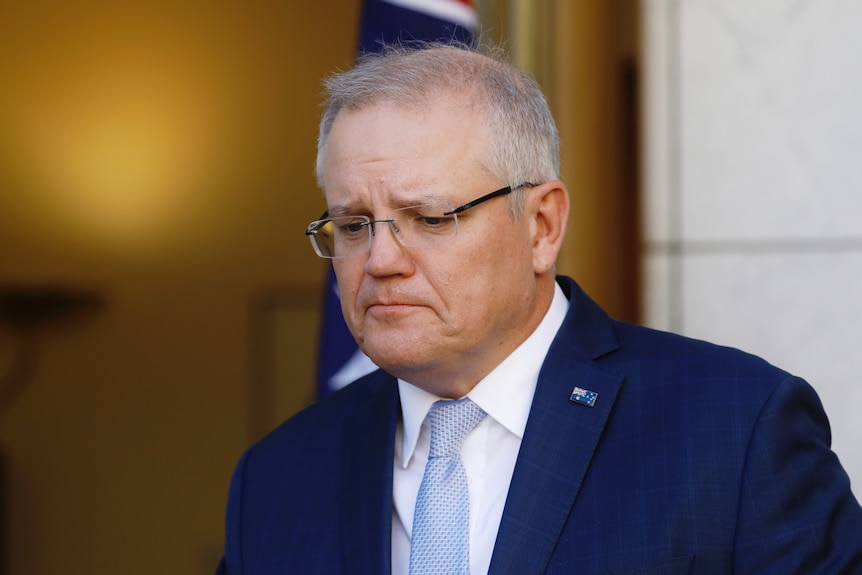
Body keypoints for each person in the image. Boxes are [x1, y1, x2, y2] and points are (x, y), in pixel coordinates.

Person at [215, 43, 862, 575]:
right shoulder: (275, 481)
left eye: (431, 218)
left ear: (543, 225)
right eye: (354, 225)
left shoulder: (735, 430)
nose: (381, 259)